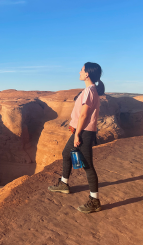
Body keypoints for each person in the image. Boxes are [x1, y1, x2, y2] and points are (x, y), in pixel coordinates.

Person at [48, 62, 105, 213]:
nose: (79, 72)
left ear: (87, 74)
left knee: (88, 165)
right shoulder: (90, 90)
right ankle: (64, 184)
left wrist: (77, 134)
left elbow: (84, 115)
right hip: (82, 131)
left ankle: (95, 201)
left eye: (81, 70)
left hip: (84, 132)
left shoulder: (89, 91)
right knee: (66, 154)